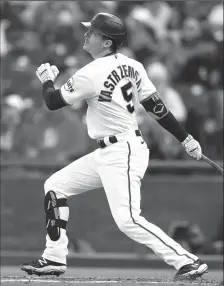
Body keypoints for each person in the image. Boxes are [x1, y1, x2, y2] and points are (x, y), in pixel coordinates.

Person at [21, 13, 208, 279]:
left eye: (93, 33)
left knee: (127, 219)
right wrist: (185, 138)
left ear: (107, 43)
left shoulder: (91, 72)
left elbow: (52, 102)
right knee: (55, 185)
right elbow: (156, 107)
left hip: (123, 150)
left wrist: (47, 81)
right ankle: (54, 257)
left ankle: (186, 261)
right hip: (110, 150)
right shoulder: (134, 65)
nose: (87, 35)